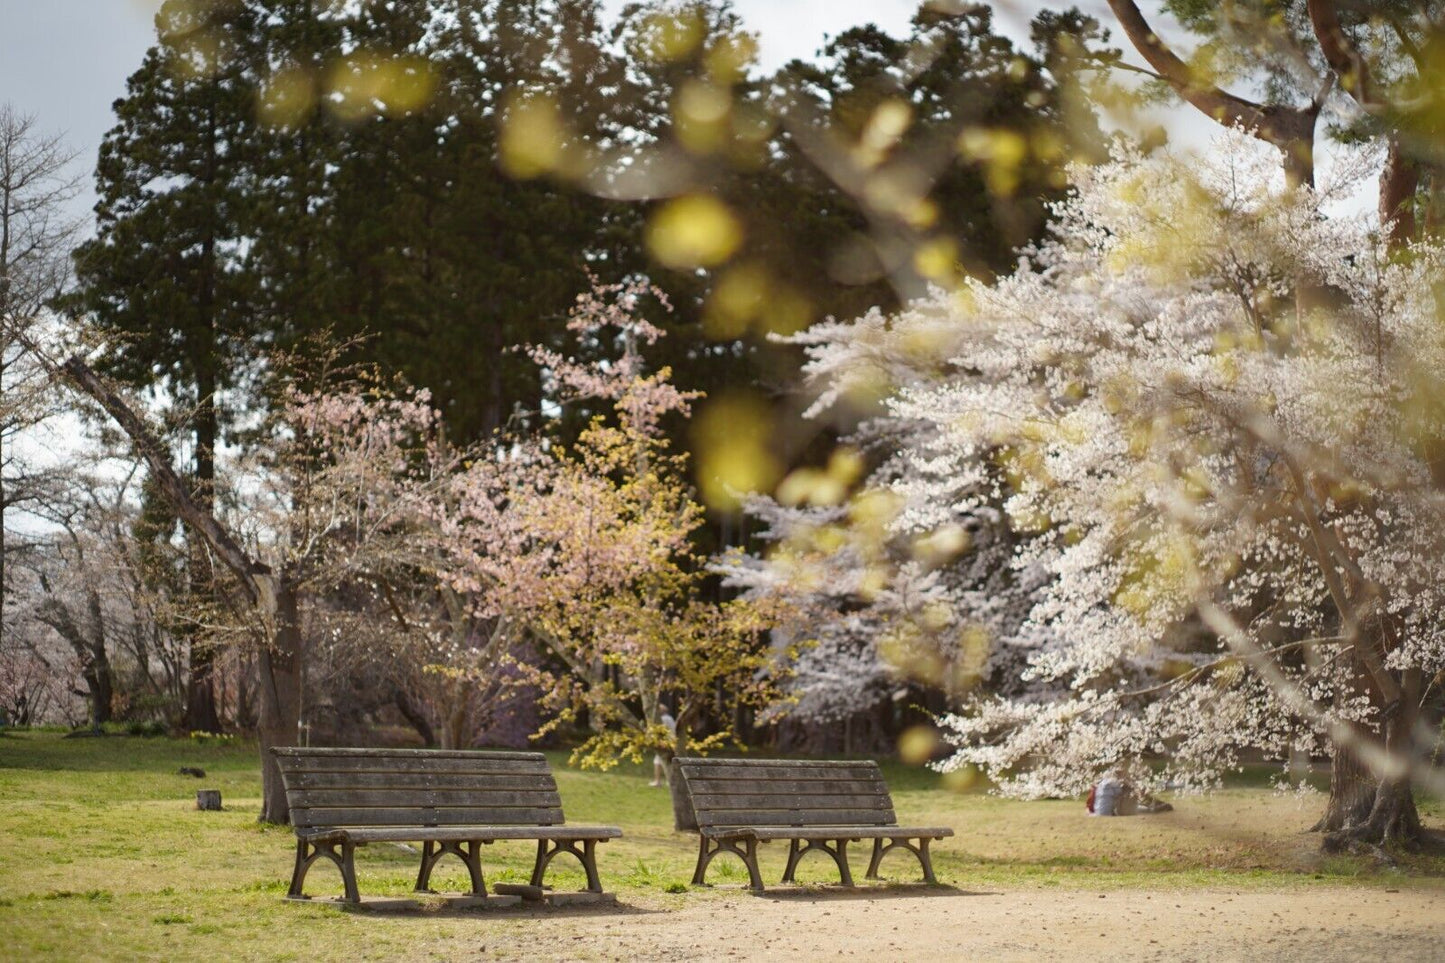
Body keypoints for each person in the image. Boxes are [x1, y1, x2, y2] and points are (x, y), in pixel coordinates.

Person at [649, 707, 677, 787]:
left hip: (665, 742)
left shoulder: (662, 719)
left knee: (658, 761)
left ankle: (658, 781)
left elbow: (660, 731)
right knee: (668, 760)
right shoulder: (670, 718)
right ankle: (669, 780)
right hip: (672, 741)